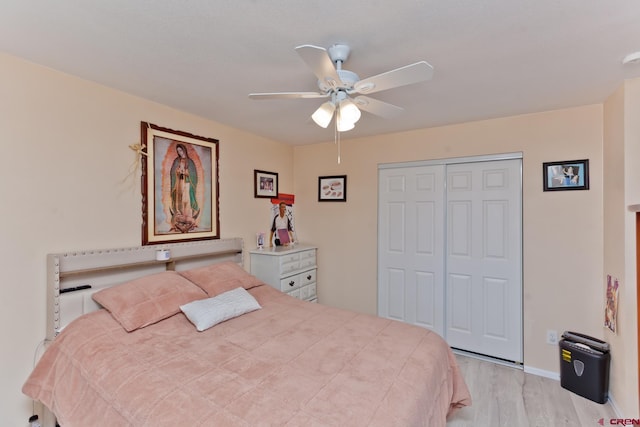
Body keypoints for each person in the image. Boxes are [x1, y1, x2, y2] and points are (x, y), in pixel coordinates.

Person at [170, 144, 199, 233]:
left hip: (187, 183)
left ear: (184, 150)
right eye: (178, 151)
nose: (180, 153)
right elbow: (172, 172)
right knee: (179, 199)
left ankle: (188, 217)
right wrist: (177, 171)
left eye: (181, 150)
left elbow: (194, 175)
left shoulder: (190, 162)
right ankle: (180, 217)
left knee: (187, 199)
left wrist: (187, 172)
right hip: (178, 183)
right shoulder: (176, 161)